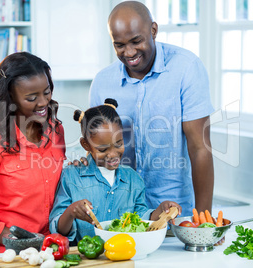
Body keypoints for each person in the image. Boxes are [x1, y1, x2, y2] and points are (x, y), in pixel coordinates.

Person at [88, 1, 214, 218]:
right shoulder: (102, 81)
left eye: (136, 41)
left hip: (175, 212)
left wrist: (204, 220)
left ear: (153, 30)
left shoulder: (186, 68)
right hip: (121, 213)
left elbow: (199, 148)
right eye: (119, 45)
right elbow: (96, 149)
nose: (129, 52)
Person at [0, 52, 66, 255]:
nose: (43, 103)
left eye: (47, 92)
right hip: (5, 255)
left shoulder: (56, 131)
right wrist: (18, 241)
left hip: (49, 251)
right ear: (10, 98)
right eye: (31, 98)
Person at [49, 98, 181, 242]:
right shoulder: (71, 176)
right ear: (86, 145)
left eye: (118, 144)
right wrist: (71, 212)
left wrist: (160, 211)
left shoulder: (133, 179)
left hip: (124, 255)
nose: (112, 154)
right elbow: (57, 229)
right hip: (86, 258)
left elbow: (140, 219)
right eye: (103, 149)